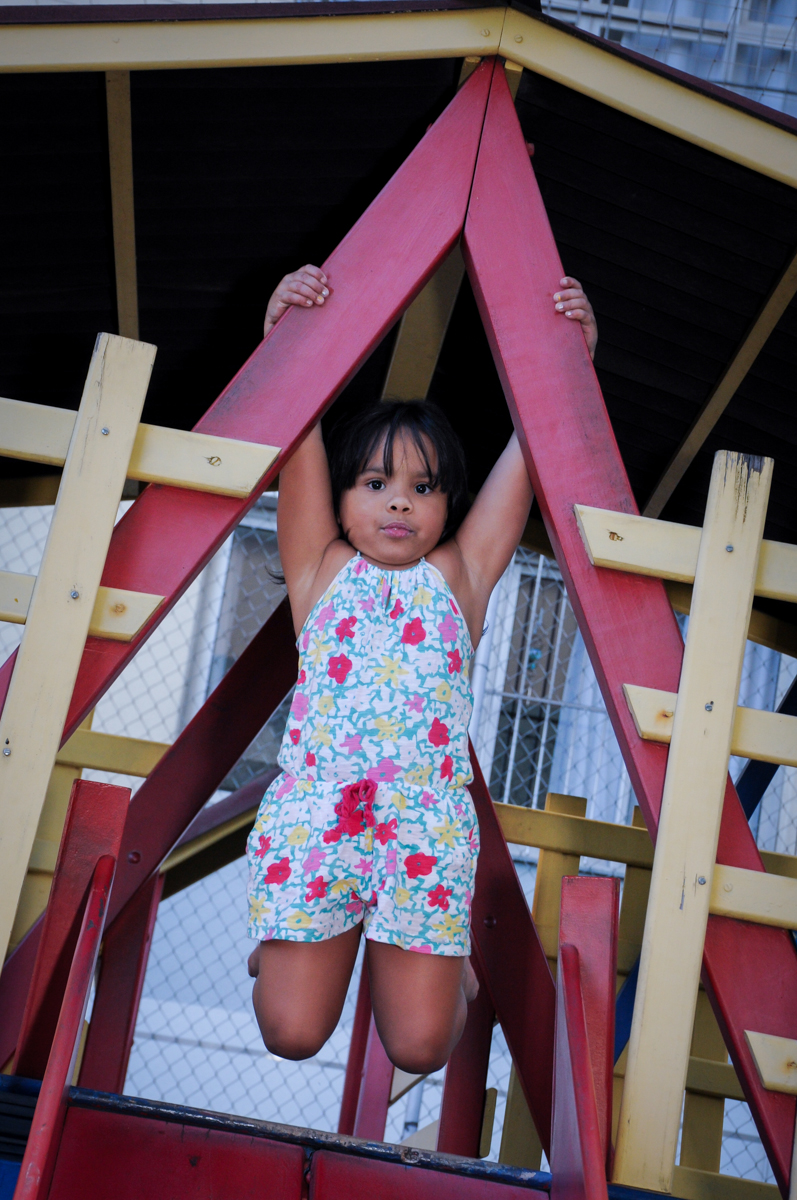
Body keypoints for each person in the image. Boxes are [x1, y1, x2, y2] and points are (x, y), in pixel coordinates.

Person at [246, 265, 597, 1075]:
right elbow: (299, 434)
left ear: (447, 506)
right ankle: (282, 940)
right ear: (342, 500)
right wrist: (283, 335)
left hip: (422, 834)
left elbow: (528, 454)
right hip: (318, 822)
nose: (399, 502)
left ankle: (451, 971)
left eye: (422, 487)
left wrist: (571, 360)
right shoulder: (320, 569)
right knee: (291, 1034)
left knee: (418, 1048)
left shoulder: (458, 578)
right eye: (375, 484)